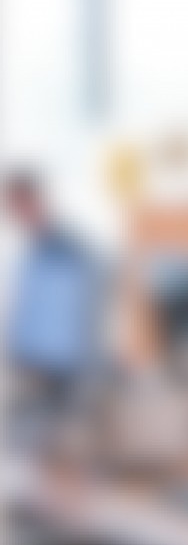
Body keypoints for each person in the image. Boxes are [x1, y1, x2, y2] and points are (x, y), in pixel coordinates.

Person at [3, 171, 107, 407]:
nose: (17, 214)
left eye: (21, 204)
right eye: (12, 208)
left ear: (37, 200)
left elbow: (80, 314)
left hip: (62, 373)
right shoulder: (31, 252)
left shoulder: (70, 248)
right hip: (34, 370)